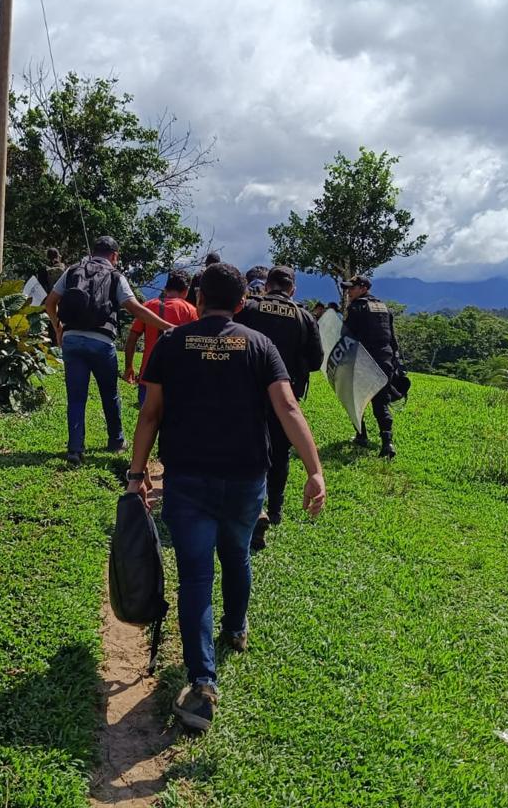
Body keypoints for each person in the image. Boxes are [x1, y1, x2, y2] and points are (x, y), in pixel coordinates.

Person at [129, 262, 326, 733]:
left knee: (196, 576)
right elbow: (288, 407)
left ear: (197, 301)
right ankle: (236, 630)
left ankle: (202, 684)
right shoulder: (260, 345)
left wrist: (137, 474)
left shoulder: (174, 343)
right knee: (236, 554)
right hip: (245, 478)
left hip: (188, 477)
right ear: (241, 304)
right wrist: (314, 470)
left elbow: (150, 414)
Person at [45, 236, 174, 466]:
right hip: (101, 341)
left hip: (72, 339)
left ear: (94, 252)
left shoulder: (73, 270)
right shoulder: (116, 276)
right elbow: (135, 308)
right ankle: (116, 441)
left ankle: (75, 449)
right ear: (114, 256)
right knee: (110, 394)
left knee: (76, 398)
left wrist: (58, 327)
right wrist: (168, 327)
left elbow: (50, 302)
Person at [234, 265, 324, 550]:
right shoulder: (304, 316)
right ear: (293, 290)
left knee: (245, 446)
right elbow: (316, 360)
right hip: (286, 394)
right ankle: (274, 509)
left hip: (247, 391)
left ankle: (246, 506)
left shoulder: (249, 308)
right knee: (280, 451)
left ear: (267, 285)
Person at [341, 275, 402, 458]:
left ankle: (361, 436)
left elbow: (346, 335)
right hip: (385, 360)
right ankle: (387, 442)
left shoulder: (356, 307)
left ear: (363, 288)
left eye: (352, 288)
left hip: (363, 360)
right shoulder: (384, 307)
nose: (348, 292)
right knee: (381, 402)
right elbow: (392, 338)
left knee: (355, 399)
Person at [123, 270, 199, 406]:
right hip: (178, 378)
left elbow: (132, 339)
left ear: (166, 288)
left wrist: (129, 366)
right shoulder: (191, 311)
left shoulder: (148, 307)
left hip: (148, 376)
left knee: (147, 421)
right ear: (186, 290)